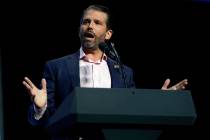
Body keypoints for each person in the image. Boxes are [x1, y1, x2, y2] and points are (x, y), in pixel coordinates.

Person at [22, 4, 188, 140]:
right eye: (86, 22)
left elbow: (134, 111)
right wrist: (40, 108)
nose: (90, 26)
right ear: (79, 29)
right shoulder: (56, 67)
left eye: (97, 22)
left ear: (108, 34)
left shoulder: (124, 72)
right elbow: (39, 121)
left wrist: (161, 102)